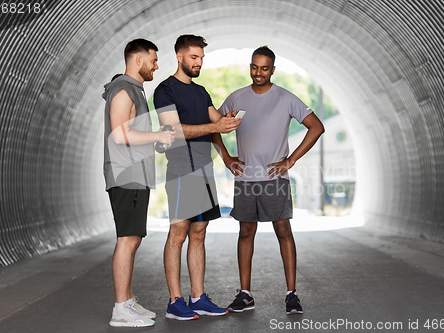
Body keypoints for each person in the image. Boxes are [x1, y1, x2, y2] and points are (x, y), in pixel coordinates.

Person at [214, 46, 325, 315]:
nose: (258, 73)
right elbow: (214, 126)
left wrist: (291, 160)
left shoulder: (285, 98)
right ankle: (245, 294)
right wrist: (227, 158)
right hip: (245, 178)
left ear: (272, 70)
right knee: (245, 233)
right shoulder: (236, 97)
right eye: (254, 67)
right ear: (250, 66)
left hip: (274, 179)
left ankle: (291, 294)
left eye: (264, 68)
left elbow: (317, 126)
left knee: (283, 231)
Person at [153, 34, 241, 320]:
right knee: (178, 233)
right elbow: (174, 131)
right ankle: (174, 301)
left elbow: (216, 124)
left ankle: (198, 297)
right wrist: (214, 124)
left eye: (202, 58)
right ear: (179, 57)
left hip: (204, 170)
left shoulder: (202, 92)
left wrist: (226, 155)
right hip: (181, 169)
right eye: (194, 57)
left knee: (199, 234)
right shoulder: (165, 90)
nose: (199, 62)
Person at [102, 38, 175, 327]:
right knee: (127, 239)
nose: (157, 66)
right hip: (125, 175)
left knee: (133, 238)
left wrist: (157, 139)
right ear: (138, 60)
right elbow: (119, 135)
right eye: (154, 60)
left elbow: (134, 135)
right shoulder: (122, 89)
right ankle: (120, 308)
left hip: (136, 175)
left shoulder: (136, 91)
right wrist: (157, 136)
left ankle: (128, 300)